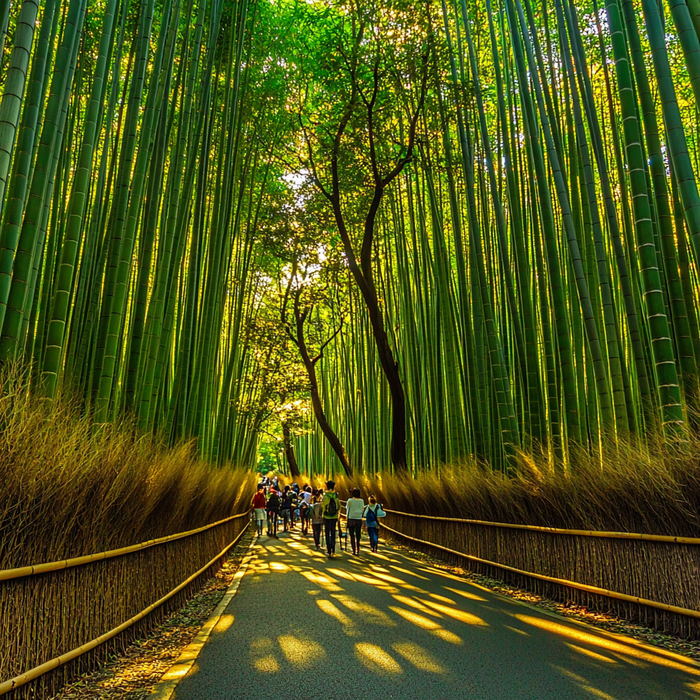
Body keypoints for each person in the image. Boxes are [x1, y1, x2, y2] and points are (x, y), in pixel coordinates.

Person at [322, 480, 341, 557]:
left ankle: (328, 550)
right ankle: (333, 548)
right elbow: (339, 506)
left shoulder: (325, 496)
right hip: (334, 517)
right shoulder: (335, 496)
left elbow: (323, 506)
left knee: (327, 533)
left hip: (326, 517)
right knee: (333, 532)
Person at [345, 488, 365, 555]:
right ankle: (358, 549)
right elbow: (362, 509)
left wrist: (347, 517)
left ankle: (353, 549)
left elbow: (347, 509)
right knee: (358, 534)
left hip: (351, 517)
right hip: (358, 518)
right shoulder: (361, 501)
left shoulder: (350, 500)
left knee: (352, 534)